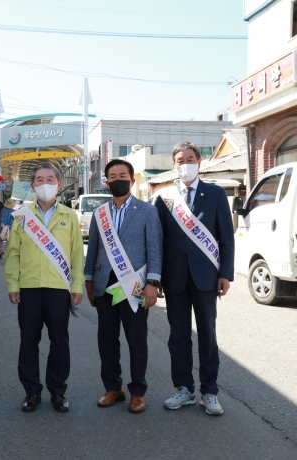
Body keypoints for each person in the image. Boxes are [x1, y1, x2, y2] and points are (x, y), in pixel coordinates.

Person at [153, 142, 234, 416]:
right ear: (173, 165)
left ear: (199, 161)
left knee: (208, 335)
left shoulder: (215, 193)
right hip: (174, 277)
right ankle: (183, 389)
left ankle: (209, 392)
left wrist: (225, 273)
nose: (184, 163)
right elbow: (158, 240)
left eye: (189, 158)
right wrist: (156, 277)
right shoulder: (164, 198)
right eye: (179, 160)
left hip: (206, 276)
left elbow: (226, 238)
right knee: (178, 335)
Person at [4, 162, 85, 413]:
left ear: (59, 185)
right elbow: (13, 253)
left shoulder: (69, 216)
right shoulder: (22, 216)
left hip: (58, 288)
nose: (45, 184)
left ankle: (58, 391)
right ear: (32, 186)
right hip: (28, 288)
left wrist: (78, 285)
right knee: (28, 341)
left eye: (50, 179)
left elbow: (76, 255)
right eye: (39, 180)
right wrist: (13, 283)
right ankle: (31, 391)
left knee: (59, 342)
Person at [84, 159, 163, 414]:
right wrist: (88, 280)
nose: (117, 179)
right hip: (105, 284)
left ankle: (137, 392)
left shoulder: (147, 210)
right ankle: (113, 388)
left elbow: (155, 249)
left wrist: (153, 283)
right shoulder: (100, 213)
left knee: (136, 341)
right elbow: (93, 249)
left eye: (122, 175)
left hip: (136, 286)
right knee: (107, 340)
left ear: (132, 180)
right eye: (112, 176)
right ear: (106, 181)